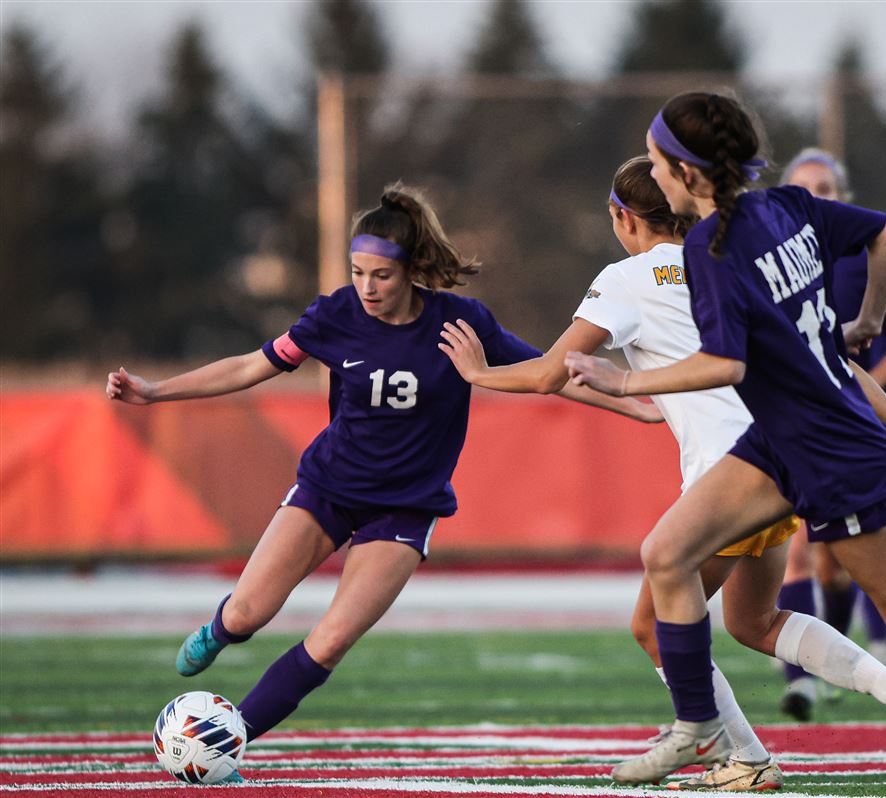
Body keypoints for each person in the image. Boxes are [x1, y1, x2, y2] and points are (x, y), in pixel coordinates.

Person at [564, 92, 886, 798]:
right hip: (779, 438)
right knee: (666, 554)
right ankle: (699, 723)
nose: (652, 176)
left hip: (827, 450)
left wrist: (624, 383)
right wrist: (864, 321)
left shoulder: (710, 246)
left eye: (659, 163)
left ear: (689, 173)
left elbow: (727, 366)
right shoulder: (785, 205)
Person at [106, 184, 658, 782]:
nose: (367, 288)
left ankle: (228, 738)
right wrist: (155, 391)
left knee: (332, 640)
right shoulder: (334, 315)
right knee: (247, 613)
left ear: (413, 271)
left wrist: (644, 406)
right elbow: (249, 366)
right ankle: (220, 630)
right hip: (328, 490)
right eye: (358, 272)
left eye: (382, 276)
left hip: (405, 509)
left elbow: (552, 374)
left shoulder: (461, 323)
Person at [439, 157, 886, 791]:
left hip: (728, 474)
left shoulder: (626, 278)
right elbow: (823, 357)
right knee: (753, 623)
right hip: (784, 457)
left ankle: (746, 757)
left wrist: (477, 374)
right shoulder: (730, 259)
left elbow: (550, 371)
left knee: (653, 626)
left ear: (622, 218)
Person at [775, 148, 886, 718]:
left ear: (844, 197)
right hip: (788, 426)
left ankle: (842, 659)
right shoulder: (770, 262)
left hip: (845, 425)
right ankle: (803, 683)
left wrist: (861, 389)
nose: (816, 196)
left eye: (827, 187)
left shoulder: (861, 261)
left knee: (833, 566)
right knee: (796, 557)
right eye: (803, 187)